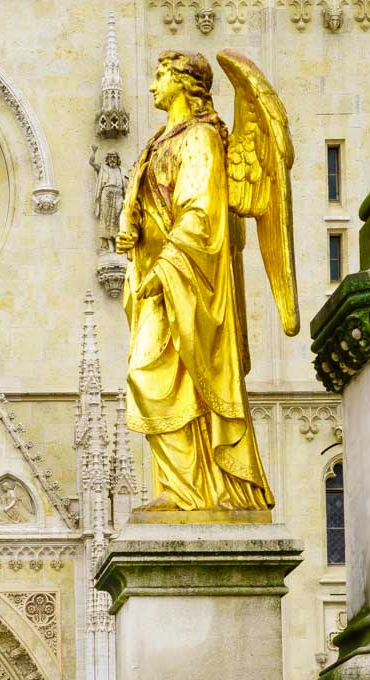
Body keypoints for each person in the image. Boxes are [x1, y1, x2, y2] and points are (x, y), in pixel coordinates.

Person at [117, 52, 282, 512]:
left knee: (151, 376)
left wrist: (164, 267)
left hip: (187, 280)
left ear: (185, 83)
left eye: (159, 77)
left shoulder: (202, 139)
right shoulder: (158, 142)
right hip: (160, 280)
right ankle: (182, 488)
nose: (151, 87)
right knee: (155, 378)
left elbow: (202, 212)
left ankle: (197, 491)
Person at [89, 146, 126, 253]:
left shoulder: (121, 170)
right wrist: (94, 152)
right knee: (106, 219)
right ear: (107, 159)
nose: (112, 159)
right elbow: (91, 162)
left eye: (114, 157)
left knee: (117, 219)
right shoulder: (103, 168)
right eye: (110, 157)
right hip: (107, 194)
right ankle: (108, 245)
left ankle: (117, 242)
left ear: (117, 159)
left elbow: (125, 186)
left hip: (119, 195)